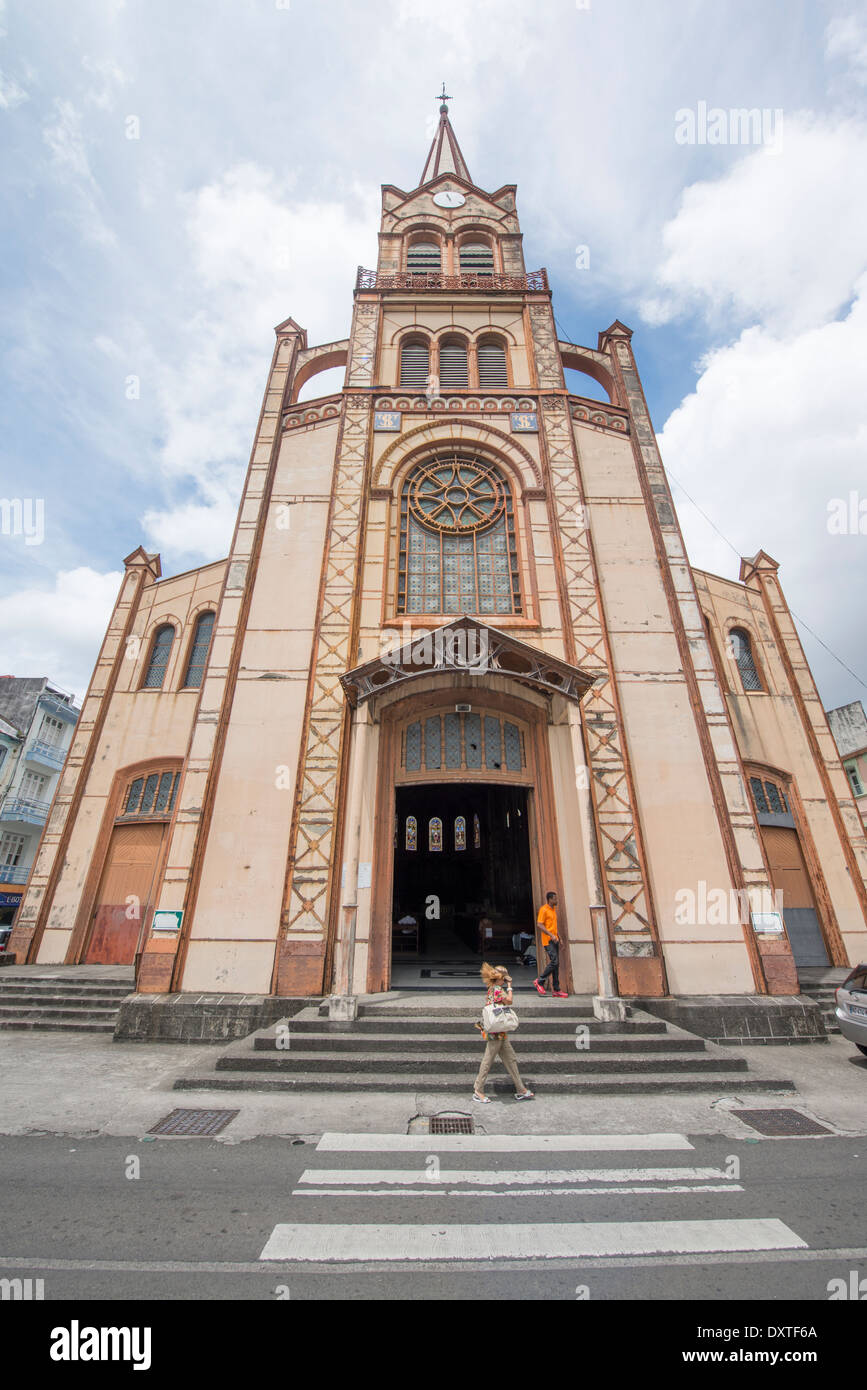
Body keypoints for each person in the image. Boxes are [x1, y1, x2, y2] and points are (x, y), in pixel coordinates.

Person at [473, 962, 534, 1103]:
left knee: (511, 1059)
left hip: (500, 1031)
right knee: (488, 1060)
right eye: (505, 978)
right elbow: (509, 1001)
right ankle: (478, 1089)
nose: (506, 980)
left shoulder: (491, 989)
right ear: (501, 978)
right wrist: (510, 987)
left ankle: (521, 1089)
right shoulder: (498, 990)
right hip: (496, 1033)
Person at [534, 890, 567, 997]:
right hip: (548, 940)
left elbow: (553, 927)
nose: (557, 900)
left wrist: (559, 938)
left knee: (556, 965)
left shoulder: (553, 910)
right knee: (554, 961)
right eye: (555, 898)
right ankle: (540, 981)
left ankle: (556, 989)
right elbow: (539, 924)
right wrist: (551, 935)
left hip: (554, 939)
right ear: (550, 899)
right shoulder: (544, 910)